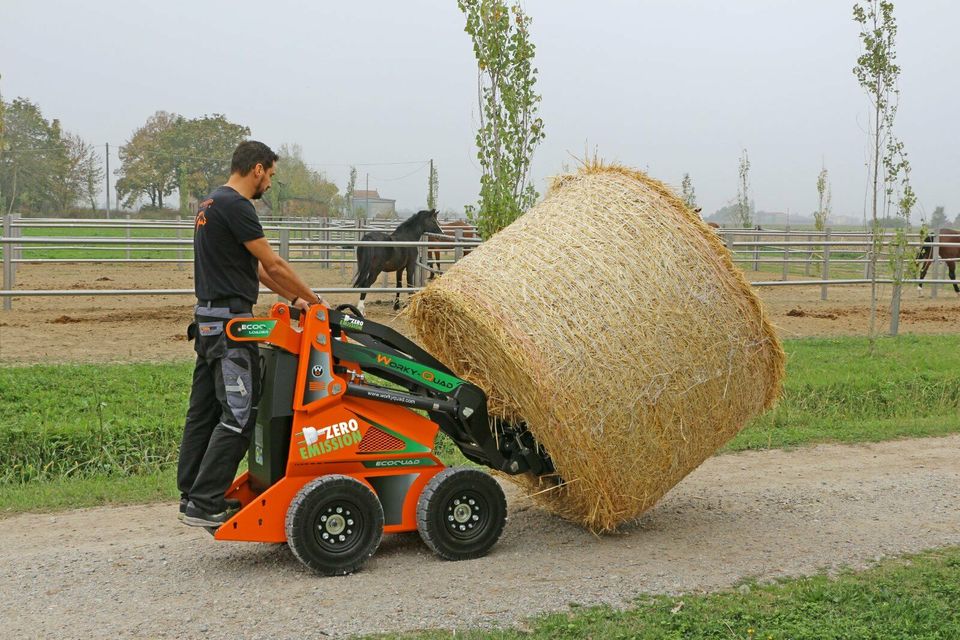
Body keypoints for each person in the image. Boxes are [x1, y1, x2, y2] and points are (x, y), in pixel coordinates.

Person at [178, 140, 326, 528]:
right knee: (239, 416)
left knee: (204, 412)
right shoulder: (237, 206)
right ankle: (206, 501)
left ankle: (191, 492)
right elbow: (273, 263)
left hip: (208, 322)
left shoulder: (210, 204)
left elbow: (256, 273)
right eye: (271, 175)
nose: (271, 184)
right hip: (230, 327)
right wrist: (317, 301)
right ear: (257, 169)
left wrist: (296, 299)